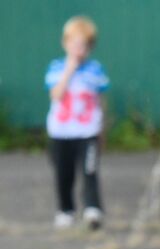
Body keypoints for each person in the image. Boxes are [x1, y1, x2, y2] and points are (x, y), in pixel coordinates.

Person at [45, 16, 109, 230]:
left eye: (83, 44)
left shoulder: (95, 71)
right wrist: (69, 70)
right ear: (66, 43)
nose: (78, 49)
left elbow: (101, 100)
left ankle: (92, 209)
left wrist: (102, 130)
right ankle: (66, 210)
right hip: (61, 133)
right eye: (74, 43)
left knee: (90, 171)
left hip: (87, 131)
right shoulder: (56, 68)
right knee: (64, 173)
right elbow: (56, 95)